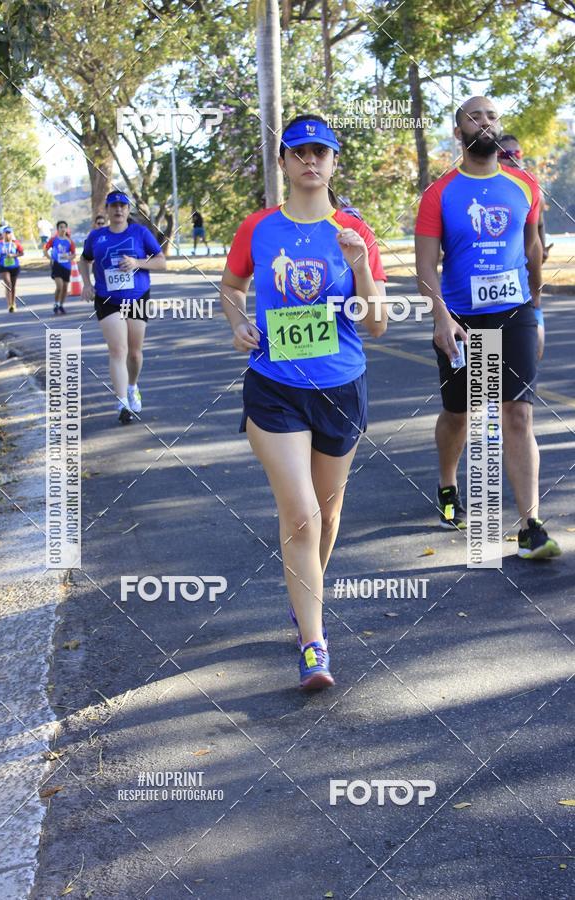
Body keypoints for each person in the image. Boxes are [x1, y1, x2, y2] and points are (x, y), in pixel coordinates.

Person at [220, 114, 387, 690]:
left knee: (328, 514)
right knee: (301, 515)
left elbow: (378, 324)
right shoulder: (258, 228)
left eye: (321, 151)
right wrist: (239, 322)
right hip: (274, 389)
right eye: (299, 152)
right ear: (285, 163)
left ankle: (304, 596)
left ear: (335, 161)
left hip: (341, 387)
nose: (310, 161)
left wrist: (361, 264)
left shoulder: (356, 231)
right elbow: (230, 286)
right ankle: (314, 645)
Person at [415, 95, 560, 559]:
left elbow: (532, 250)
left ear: (499, 128)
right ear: (458, 132)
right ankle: (447, 483)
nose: (485, 122)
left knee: (516, 412)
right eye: (474, 116)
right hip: (460, 316)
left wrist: (535, 312)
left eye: (492, 116)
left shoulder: (524, 186)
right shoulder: (439, 193)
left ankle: (530, 526)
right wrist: (441, 317)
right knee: (459, 414)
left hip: (514, 310)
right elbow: (424, 267)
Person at [79, 191, 167, 424]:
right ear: (107, 210)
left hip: (137, 297)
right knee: (118, 350)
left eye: (122, 206)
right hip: (107, 300)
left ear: (128, 210)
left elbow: (161, 262)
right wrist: (87, 284)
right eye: (113, 206)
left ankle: (132, 386)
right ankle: (122, 402)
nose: (118, 210)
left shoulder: (140, 233)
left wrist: (137, 262)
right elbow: (84, 259)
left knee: (135, 353)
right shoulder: (96, 236)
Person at [497, 134, 550, 360]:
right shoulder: (485, 188)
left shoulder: (530, 186)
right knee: (485, 381)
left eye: (516, 154)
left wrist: (536, 289)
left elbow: (538, 232)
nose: (513, 158)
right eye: (506, 154)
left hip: (524, 288)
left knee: (532, 354)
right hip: (486, 293)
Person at [44, 221, 76, 314]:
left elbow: (74, 254)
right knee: (59, 286)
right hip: (57, 265)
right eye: (61, 227)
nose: (63, 229)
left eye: (64, 227)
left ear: (66, 229)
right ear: (57, 229)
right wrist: (50, 258)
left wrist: (69, 257)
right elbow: (46, 249)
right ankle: (56, 303)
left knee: (65, 288)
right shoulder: (53, 239)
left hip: (66, 266)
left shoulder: (69, 241)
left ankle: (61, 305)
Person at [0, 226, 24, 313]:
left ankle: (13, 304)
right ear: (2, 234)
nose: (7, 235)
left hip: (14, 266)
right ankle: (9, 304)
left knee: (13, 286)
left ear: (12, 234)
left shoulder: (15, 243)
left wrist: (13, 255)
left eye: (9, 233)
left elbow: (22, 253)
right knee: (8, 284)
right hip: (3, 266)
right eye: (5, 233)